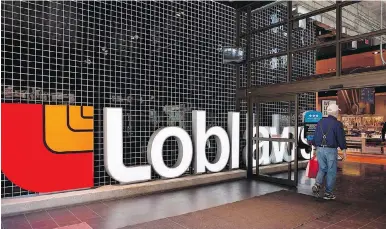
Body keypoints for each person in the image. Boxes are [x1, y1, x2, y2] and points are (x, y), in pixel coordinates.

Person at [311, 104, 347, 200]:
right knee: (331, 171)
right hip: (330, 150)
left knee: (322, 168)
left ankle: (317, 184)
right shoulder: (337, 124)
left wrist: (315, 149)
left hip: (319, 149)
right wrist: (343, 150)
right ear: (336, 112)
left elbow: (315, 137)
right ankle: (328, 193)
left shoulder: (320, 122)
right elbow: (340, 138)